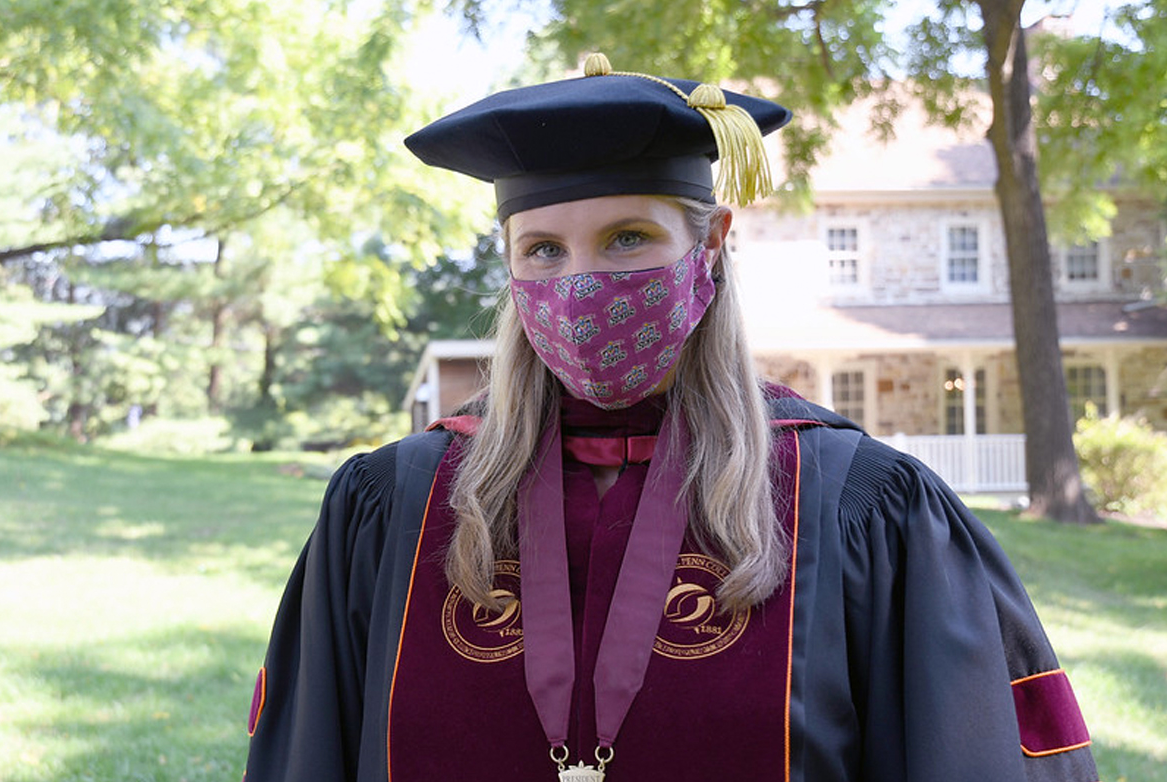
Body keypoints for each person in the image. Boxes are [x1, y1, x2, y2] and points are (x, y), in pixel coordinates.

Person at [241, 53, 1096, 782]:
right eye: (542, 249)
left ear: (712, 241)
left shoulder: (856, 504)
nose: (580, 284)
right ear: (509, 264)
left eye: (627, 239)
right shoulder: (393, 505)